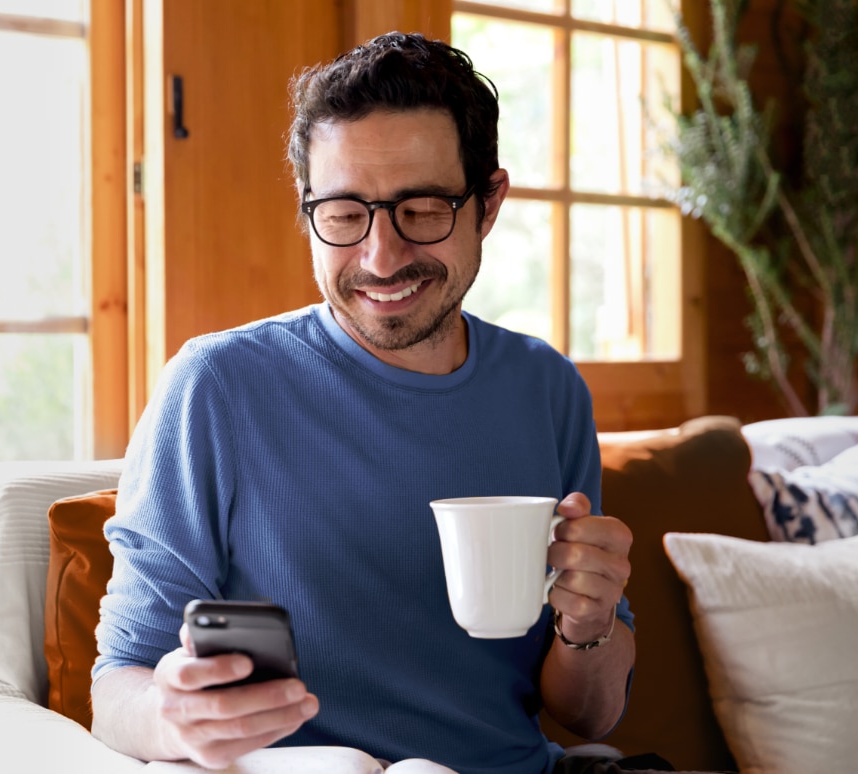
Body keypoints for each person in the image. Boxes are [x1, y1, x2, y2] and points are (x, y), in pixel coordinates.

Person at [90, 32, 707, 774]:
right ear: (307, 207)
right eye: (345, 214)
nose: (381, 258)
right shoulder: (217, 386)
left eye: (421, 209)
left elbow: (589, 714)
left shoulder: (547, 389)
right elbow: (115, 688)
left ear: (488, 203)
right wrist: (173, 718)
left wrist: (591, 621)